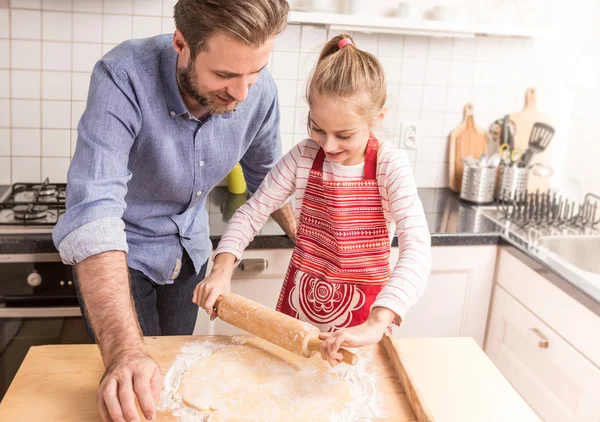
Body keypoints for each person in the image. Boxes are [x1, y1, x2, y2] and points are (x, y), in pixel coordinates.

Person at [52, 0, 293, 421]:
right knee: (136, 387)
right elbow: (94, 210)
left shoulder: (260, 91)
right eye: (224, 75)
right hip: (123, 256)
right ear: (182, 43)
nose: (241, 94)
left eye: (253, 73)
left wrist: (307, 236)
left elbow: (269, 178)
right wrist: (125, 354)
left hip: (190, 255)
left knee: (174, 383)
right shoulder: (123, 75)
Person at [195, 34, 432, 367]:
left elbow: (417, 248)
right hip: (298, 312)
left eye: (344, 135)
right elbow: (253, 212)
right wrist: (222, 269)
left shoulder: (389, 166)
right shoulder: (304, 156)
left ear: (377, 117)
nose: (329, 146)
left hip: (364, 321)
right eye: (317, 128)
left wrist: (378, 322)